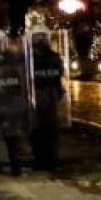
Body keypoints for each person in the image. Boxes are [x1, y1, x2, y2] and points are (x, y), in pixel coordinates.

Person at [0, 28, 28, 176]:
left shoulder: (12, 58)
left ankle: (15, 165)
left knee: (11, 136)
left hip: (8, 102)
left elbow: (20, 80)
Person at [28, 25, 65, 171]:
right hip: (41, 98)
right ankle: (45, 160)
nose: (40, 41)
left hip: (45, 98)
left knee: (45, 132)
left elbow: (58, 75)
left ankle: (47, 160)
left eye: (41, 37)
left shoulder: (51, 57)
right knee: (41, 132)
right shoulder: (31, 57)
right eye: (37, 38)